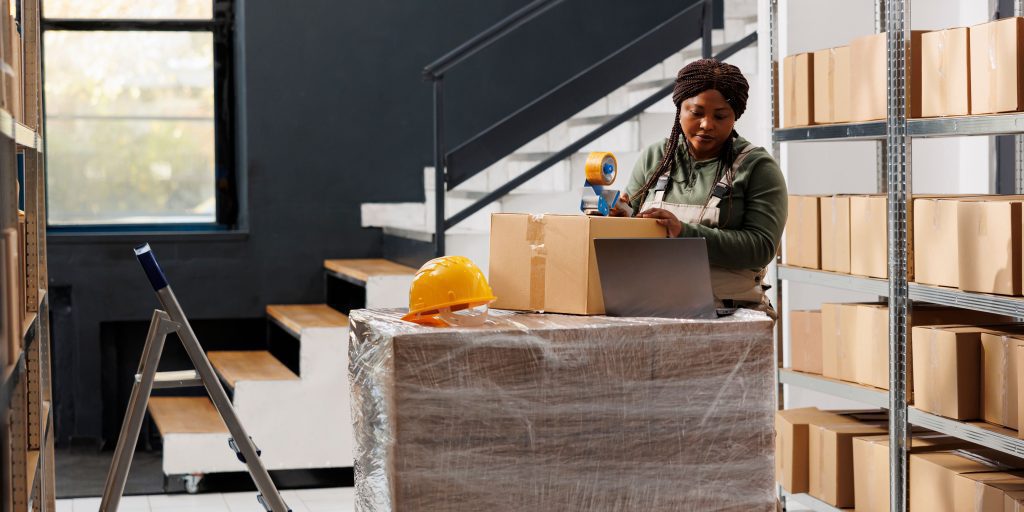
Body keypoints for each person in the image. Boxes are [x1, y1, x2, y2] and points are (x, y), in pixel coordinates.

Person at [611, 59, 787, 317]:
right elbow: (631, 226)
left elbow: (761, 247)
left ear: (735, 116)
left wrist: (684, 232)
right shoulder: (656, 157)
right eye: (696, 112)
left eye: (720, 115)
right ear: (679, 110)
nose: (707, 124)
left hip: (731, 315)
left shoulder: (758, 168)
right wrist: (616, 219)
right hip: (651, 309)